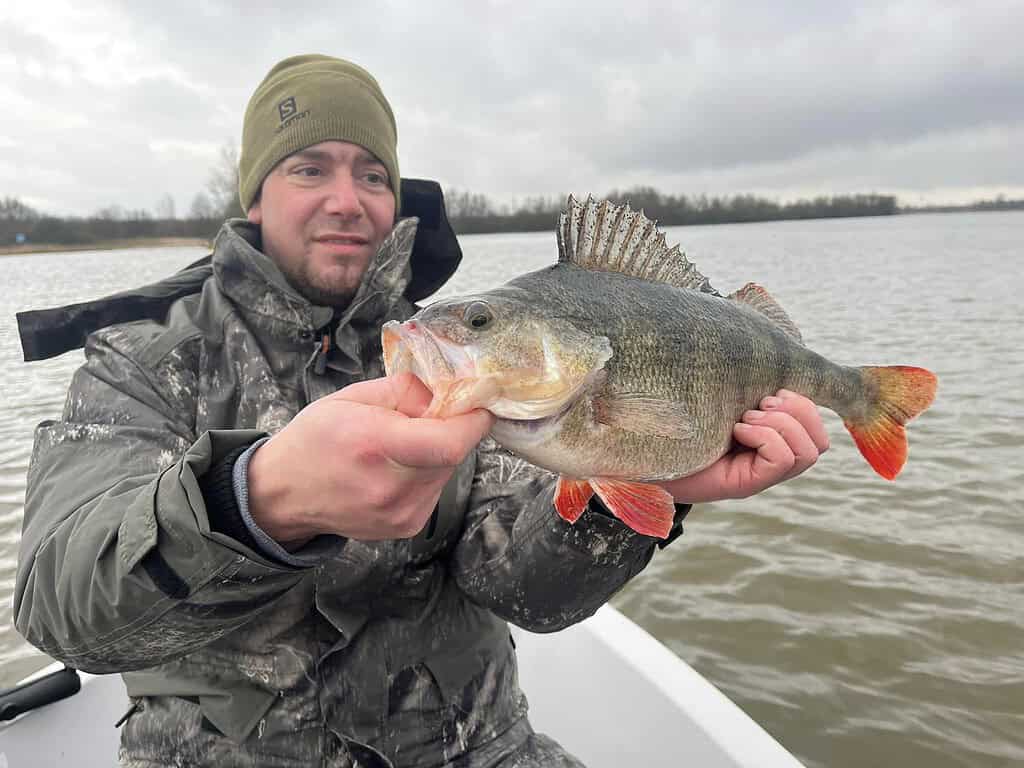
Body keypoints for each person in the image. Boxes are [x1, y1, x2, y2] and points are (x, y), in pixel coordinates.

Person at [14, 54, 829, 767]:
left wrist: (663, 477)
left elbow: (524, 592)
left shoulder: (475, 355)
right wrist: (254, 501)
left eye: (373, 174)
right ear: (254, 197)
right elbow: (62, 608)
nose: (348, 199)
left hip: (474, 746)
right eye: (309, 169)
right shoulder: (141, 362)